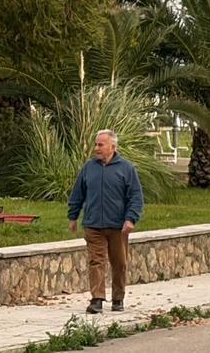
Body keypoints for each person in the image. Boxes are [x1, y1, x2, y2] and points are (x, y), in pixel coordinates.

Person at [67, 129, 144, 314]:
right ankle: (97, 299)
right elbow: (78, 193)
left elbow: (136, 196)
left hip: (118, 226)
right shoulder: (89, 167)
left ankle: (118, 298)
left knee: (119, 263)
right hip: (93, 224)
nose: (97, 148)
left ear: (112, 146)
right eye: (96, 144)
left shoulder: (126, 168)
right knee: (96, 261)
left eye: (100, 145)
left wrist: (130, 219)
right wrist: (73, 216)